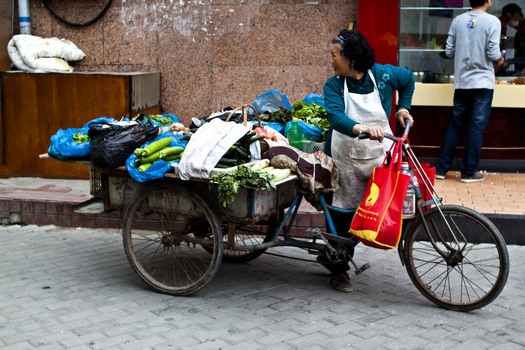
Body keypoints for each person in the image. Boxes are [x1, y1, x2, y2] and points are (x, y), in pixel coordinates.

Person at [322, 29, 415, 293]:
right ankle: (338, 269)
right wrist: (361, 127)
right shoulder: (334, 85)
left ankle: (341, 251)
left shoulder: (383, 75)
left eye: (334, 55)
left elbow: (408, 79)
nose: (331, 61)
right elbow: (336, 117)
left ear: (350, 58)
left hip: (377, 156)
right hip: (345, 158)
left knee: (376, 207)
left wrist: (403, 107)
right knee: (343, 214)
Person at [435, 0, 505, 183]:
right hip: (482, 83)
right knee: (476, 127)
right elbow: (492, 52)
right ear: (488, 1)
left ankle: (441, 169)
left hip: (462, 82)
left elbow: (448, 51)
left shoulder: (458, 20)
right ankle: (468, 172)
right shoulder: (492, 21)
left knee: (455, 124)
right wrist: (500, 61)